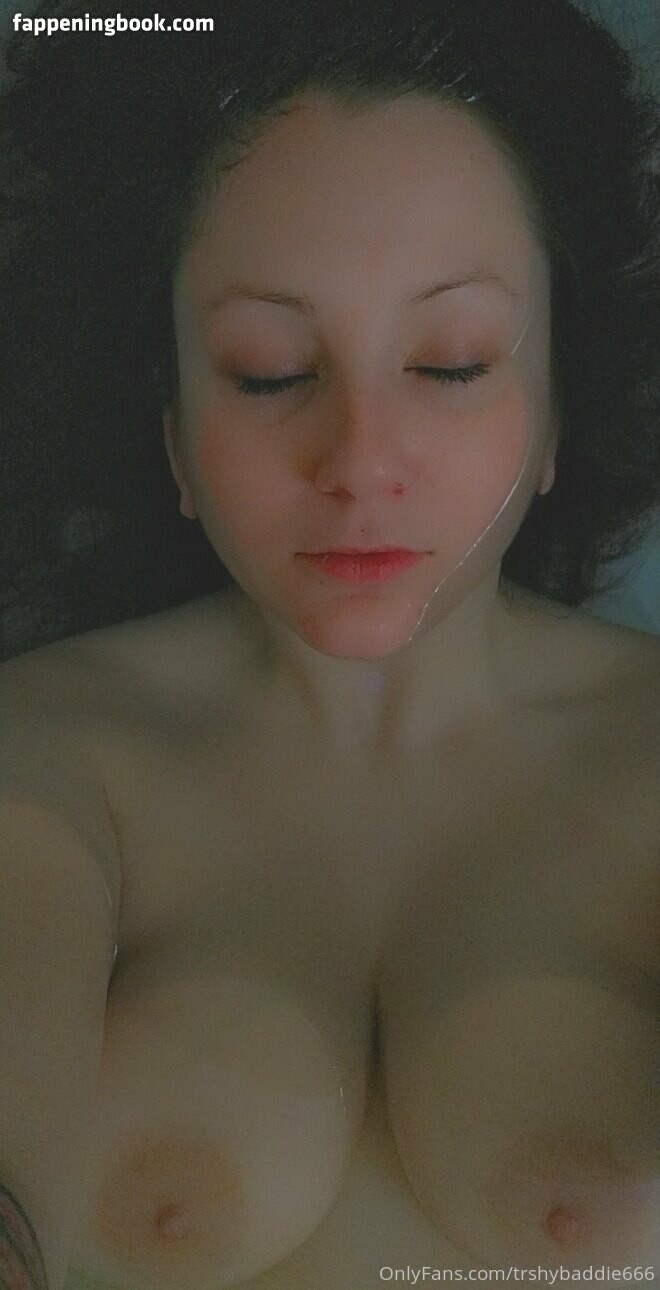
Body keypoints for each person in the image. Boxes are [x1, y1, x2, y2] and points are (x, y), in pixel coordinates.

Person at [0, 0, 658, 1286]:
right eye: (267, 370)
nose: (359, 460)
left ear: (557, 416)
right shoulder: (46, 759)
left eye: (452, 363)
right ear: (173, 429)